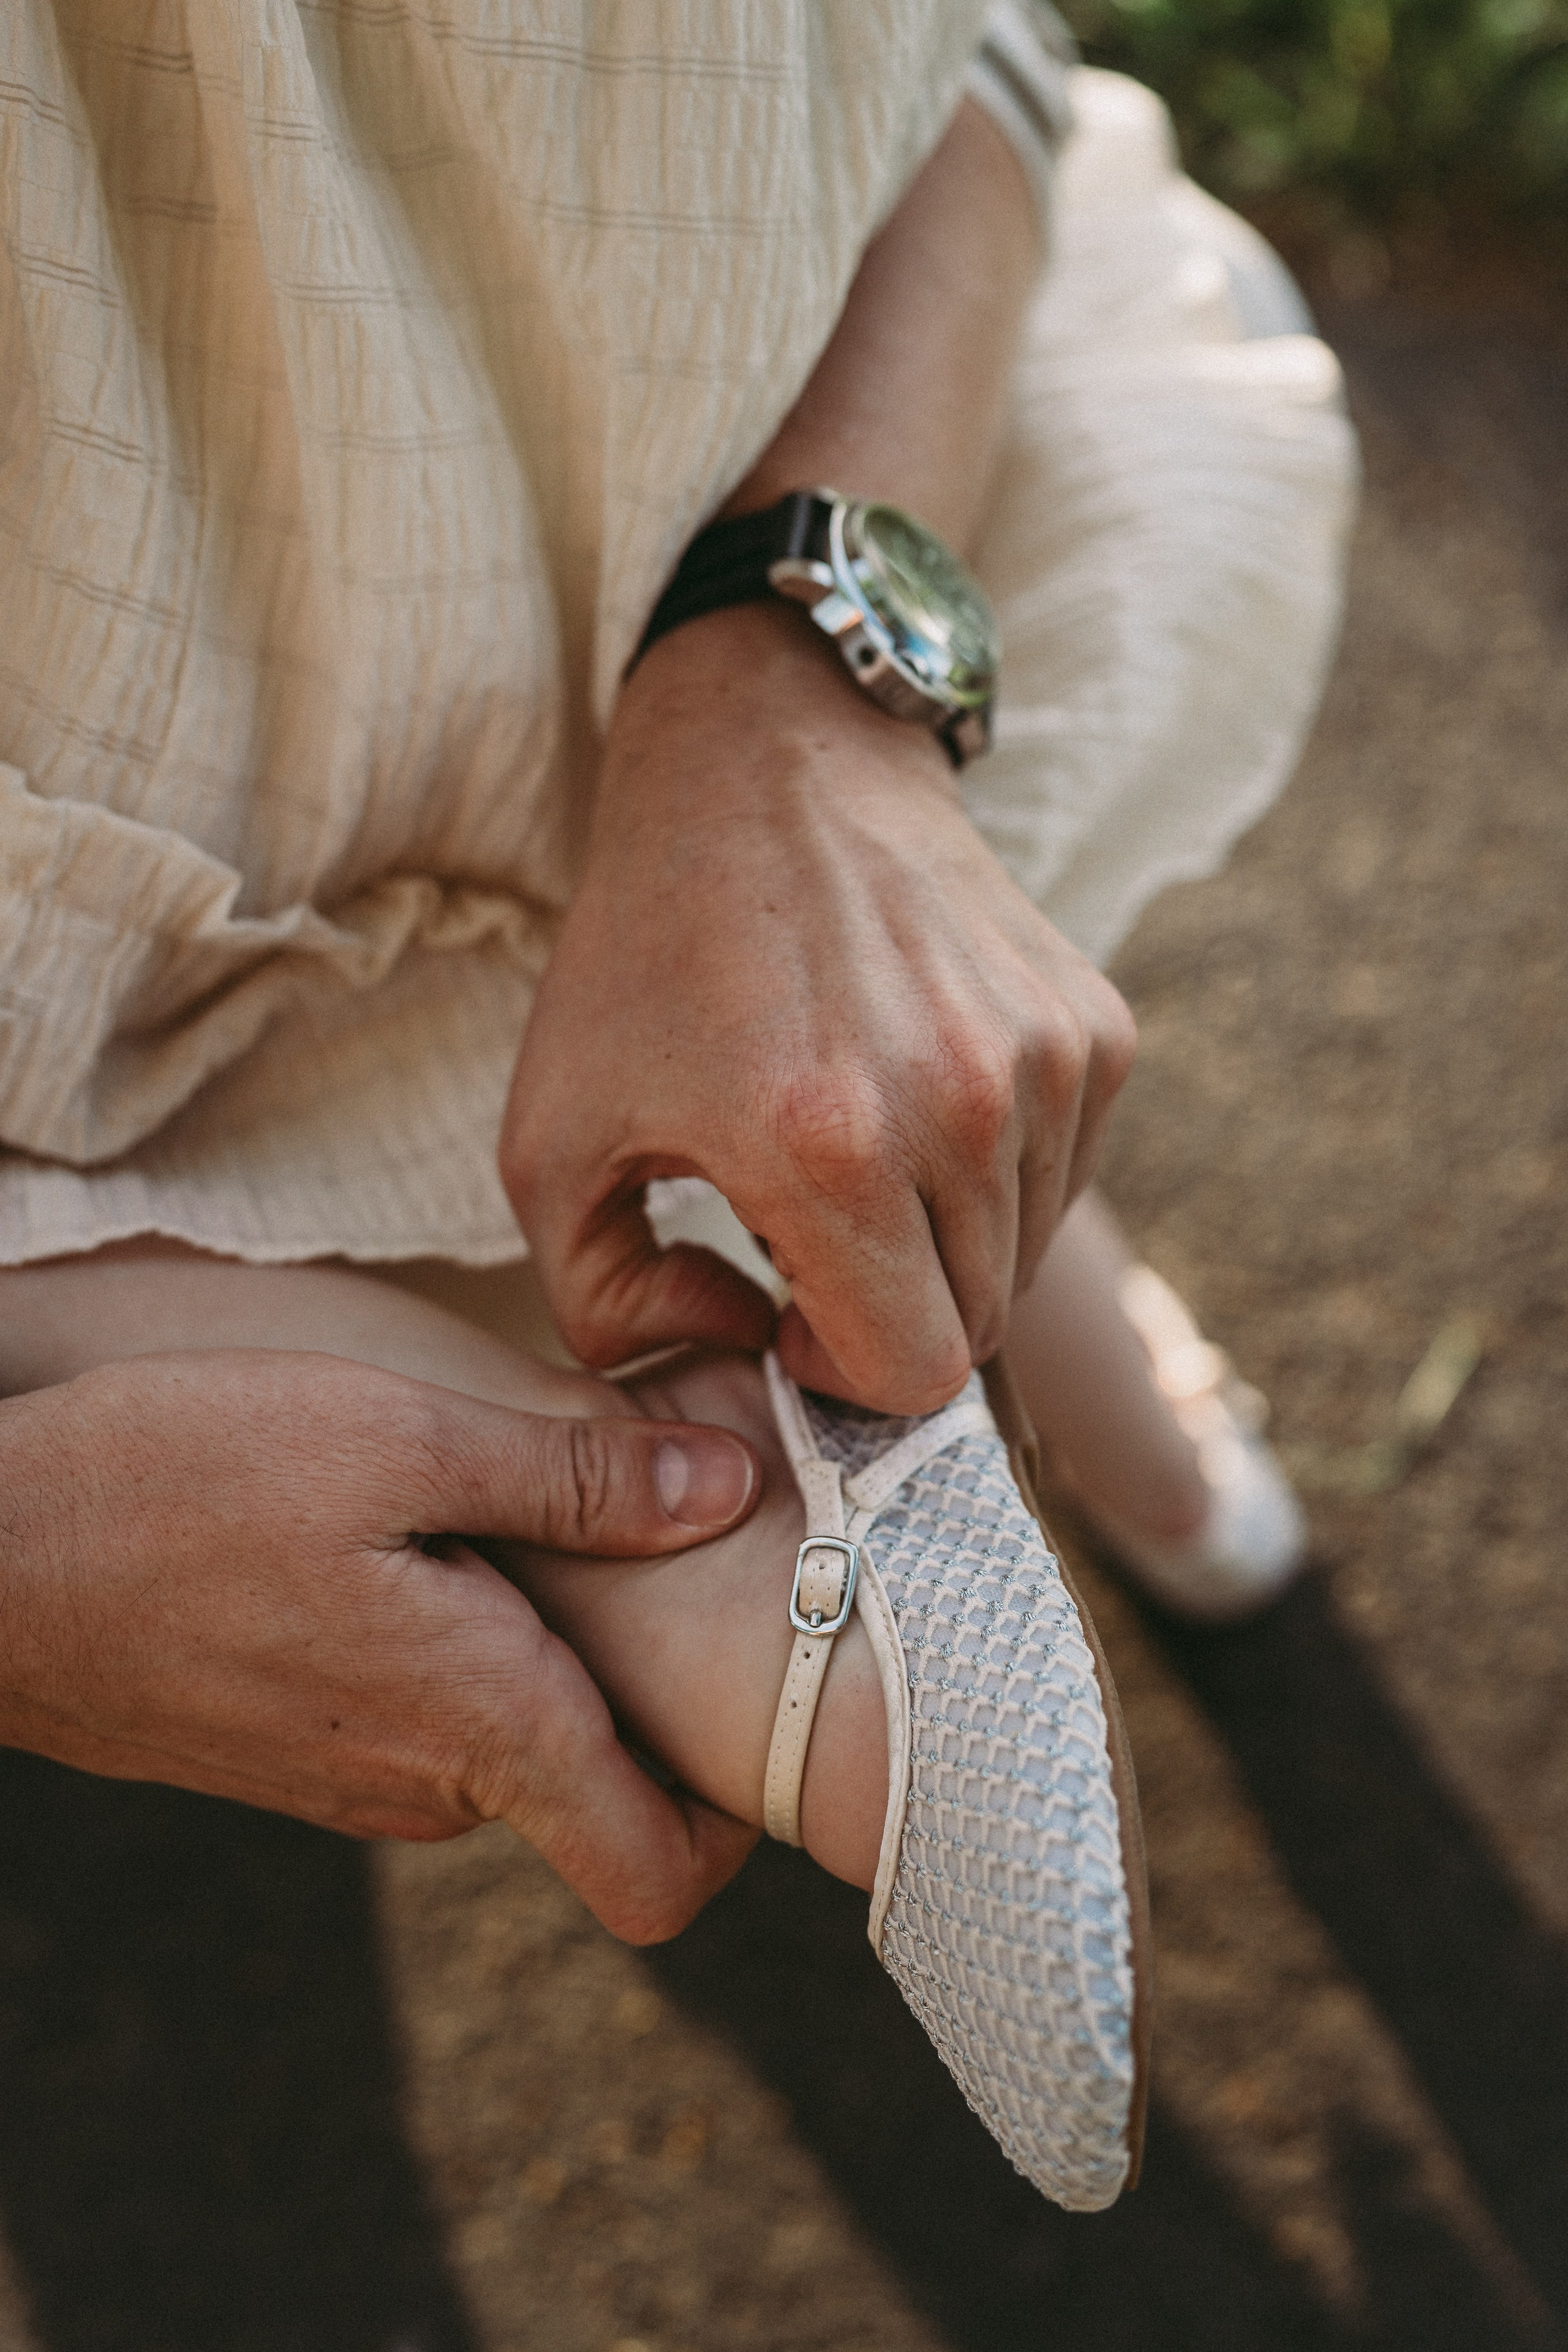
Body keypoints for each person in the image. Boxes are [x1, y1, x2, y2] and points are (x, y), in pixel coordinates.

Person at [0, 3, 1353, 2205]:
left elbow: (973, 45)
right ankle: (771, 1478)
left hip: (708, 493)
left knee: (877, 1035)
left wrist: (791, 661)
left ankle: (870, 1338)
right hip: (125, 862)